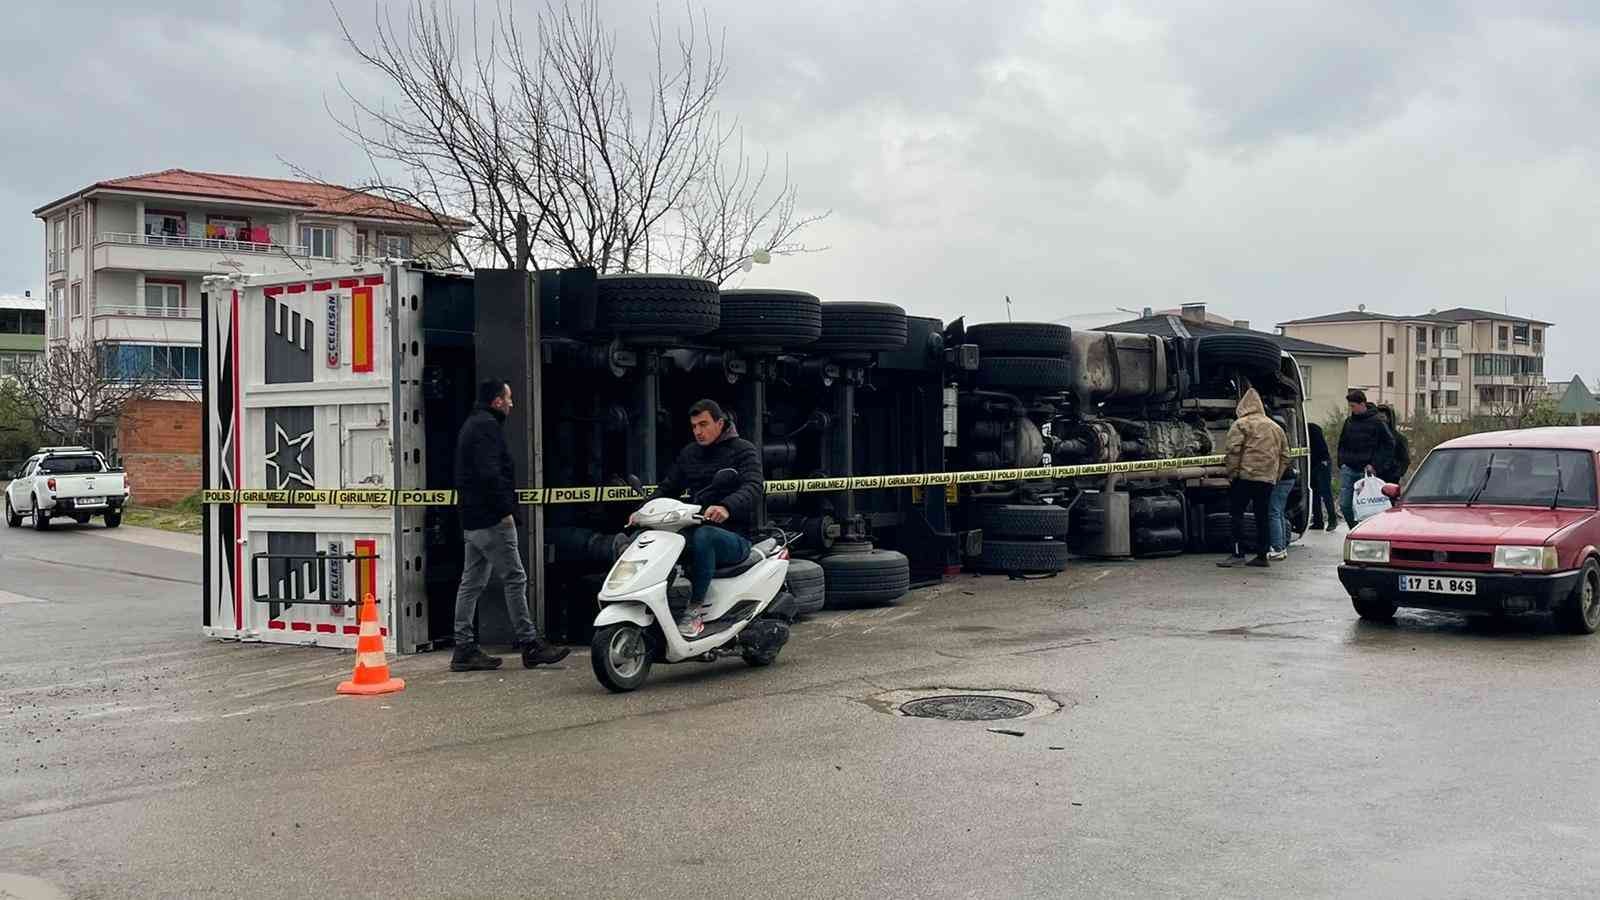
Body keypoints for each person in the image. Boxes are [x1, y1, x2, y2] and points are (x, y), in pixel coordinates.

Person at [450, 380, 570, 672]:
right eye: (509, 398)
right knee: (515, 578)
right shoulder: (486, 427)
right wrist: (505, 511)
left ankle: (463, 648)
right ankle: (530, 645)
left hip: (473, 520)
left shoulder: (472, 425)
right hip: (492, 520)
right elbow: (490, 473)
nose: (512, 404)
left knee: (472, 582)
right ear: (497, 402)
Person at [637, 399, 764, 637]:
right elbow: (668, 487)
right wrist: (643, 510)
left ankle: (695, 609)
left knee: (705, 535)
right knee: (656, 538)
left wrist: (726, 507)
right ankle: (650, 606)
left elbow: (754, 486)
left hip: (736, 537)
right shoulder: (690, 453)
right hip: (696, 527)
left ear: (720, 422)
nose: (698, 431)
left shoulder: (743, 450)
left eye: (703, 424)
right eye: (694, 426)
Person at [1218, 388, 1290, 569]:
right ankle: (1261, 555)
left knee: (1236, 514)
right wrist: (1275, 475)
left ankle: (1237, 553)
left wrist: (1232, 474)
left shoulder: (1241, 424)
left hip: (1244, 477)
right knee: (1262, 516)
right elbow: (1285, 455)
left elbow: (1233, 451)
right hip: (1266, 480)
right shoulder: (1275, 427)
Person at [1336, 389, 1396, 527]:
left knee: (1367, 506)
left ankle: (1367, 530)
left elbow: (1389, 444)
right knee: (1345, 504)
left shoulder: (1377, 422)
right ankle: (1354, 528)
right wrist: (1342, 462)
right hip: (1348, 468)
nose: (1351, 409)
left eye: (1353, 406)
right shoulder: (1349, 422)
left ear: (1362, 404)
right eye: (1350, 406)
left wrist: (1375, 464)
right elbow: (1342, 442)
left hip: (1366, 471)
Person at [1265, 415, 1298, 561]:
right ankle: (1282, 546)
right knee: (1279, 512)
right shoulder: (1283, 437)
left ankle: (1277, 548)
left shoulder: (1275, 439)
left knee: (1274, 512)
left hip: (1282, 479)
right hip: (1288, 478)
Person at [1308, 422, 1337, 531]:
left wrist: (1323, 461)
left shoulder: (1312, 429)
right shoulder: (1311, 428)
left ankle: (1332, 520)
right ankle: (1318, 521)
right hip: (1314, 463)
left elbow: (1321, 449)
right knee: (1315, 493)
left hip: (1321, 463)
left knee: (1325, 492)